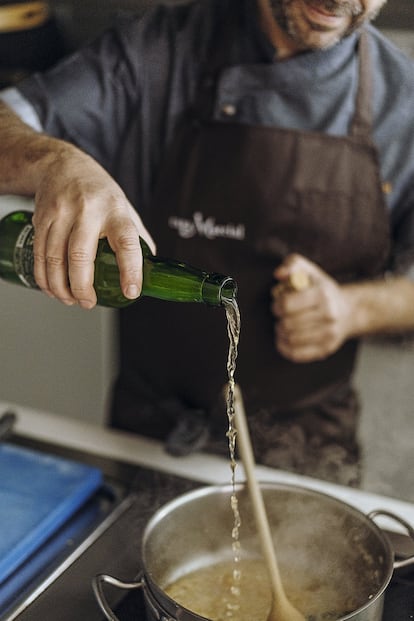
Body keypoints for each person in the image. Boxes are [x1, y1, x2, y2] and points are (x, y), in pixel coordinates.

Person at [1, 0, 414, 486]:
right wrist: (54, 162)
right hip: (149, 440)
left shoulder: (403, 101)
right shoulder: (157, 49)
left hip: (307, 459)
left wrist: (353, 309)